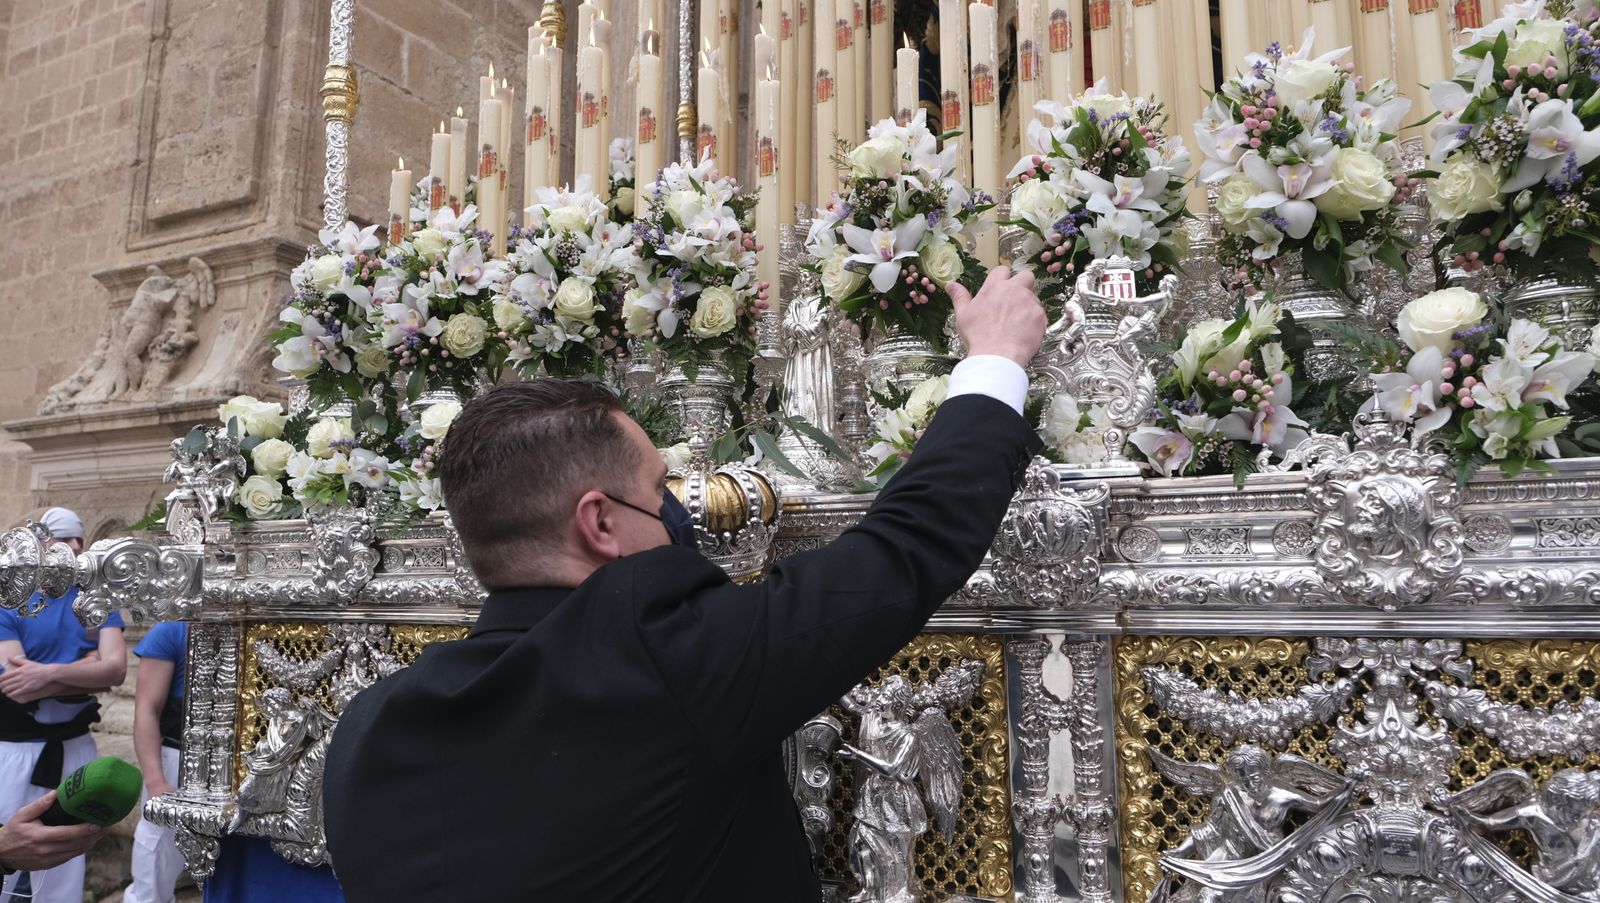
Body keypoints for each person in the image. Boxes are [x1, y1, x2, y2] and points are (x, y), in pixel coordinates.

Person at [323, 266, 1047, 901]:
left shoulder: (367, 730)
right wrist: (994, 362)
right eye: (658, 487)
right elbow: (900, 552)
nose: (677, 508)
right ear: (599, 523)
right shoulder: (658, 656)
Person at [0, 507, 127, 903]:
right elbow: (16, 684)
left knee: (65, 861)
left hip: (75, 751)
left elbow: (117, 670)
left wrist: (48, 675)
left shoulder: (96, 600)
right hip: (13, 753)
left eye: (79, 537)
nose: (75, 545)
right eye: (63, 537)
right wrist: (85, 668)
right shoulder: (10, 601)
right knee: (11, 849)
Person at [127, 621, 187, 903]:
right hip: (176, 760)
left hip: (248, 765)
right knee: (156, 856)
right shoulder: (172, 630)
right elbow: (146, 710)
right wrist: (156, 781)